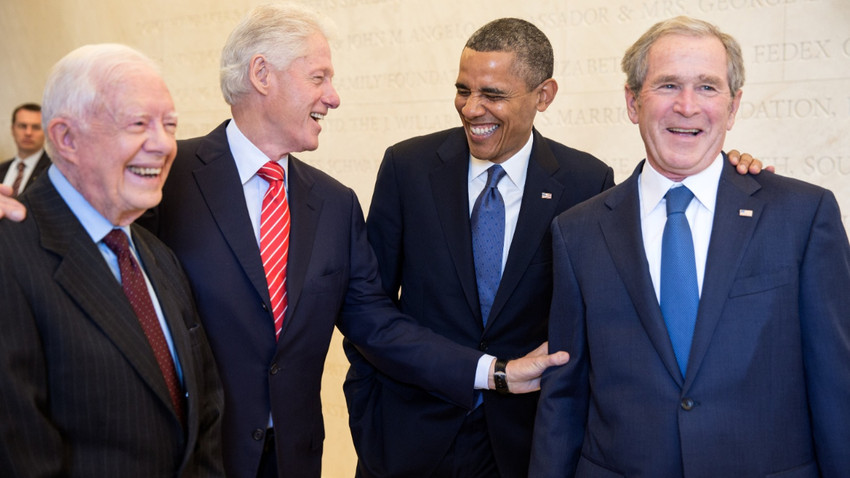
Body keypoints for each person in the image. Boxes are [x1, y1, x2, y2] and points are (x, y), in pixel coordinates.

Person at [133, 4, 564, 478]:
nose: (333, 98)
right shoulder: (166, 180)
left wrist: (495, 372)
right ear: (262, 74)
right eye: (319, 78)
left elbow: (376, 324)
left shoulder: (334, 205)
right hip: (186, 453)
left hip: (291, 458)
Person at [342, 17, 765, 478]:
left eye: (494, 95)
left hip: (523, 447)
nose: (470, 108)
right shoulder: (408, 167)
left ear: (544, 95)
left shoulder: (587, 182)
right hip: (406, 439)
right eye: (464, 90)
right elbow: (368, 309)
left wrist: (726, 172)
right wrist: (368, 410)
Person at [530, 16, 850, 477]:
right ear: (632, 101)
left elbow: (836, 387)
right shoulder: (577, 231)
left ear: (734, 106)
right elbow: (564, 398)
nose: (686, 106)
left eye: (707, 87)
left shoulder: (802, 215)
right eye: (667, 85)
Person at [0, 44, 224, 477]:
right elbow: (18, 452)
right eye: (138, 123)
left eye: (170, 124)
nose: (162, 145)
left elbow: (206, 412)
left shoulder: (158, 256)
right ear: (67, 138)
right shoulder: (10, 253)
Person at [1, 103, 50, 196]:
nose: (28, 133)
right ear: (12, 129)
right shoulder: (1, 168)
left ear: (45, 131)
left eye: (36, 127)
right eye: (23, 126)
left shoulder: (53, 171)